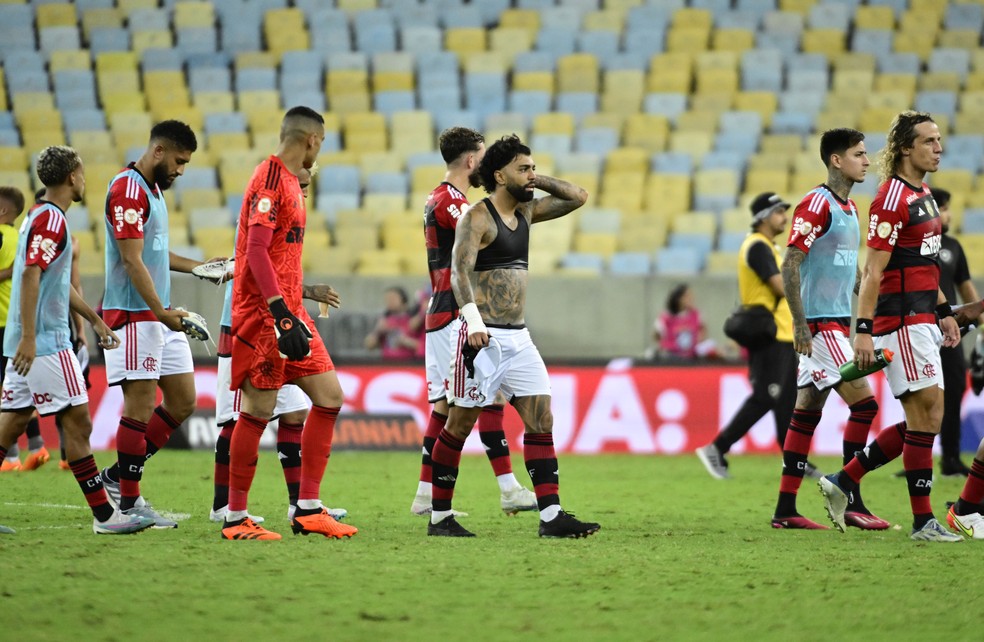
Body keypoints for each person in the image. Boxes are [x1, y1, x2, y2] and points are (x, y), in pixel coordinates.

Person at [427, 133, 599, 538]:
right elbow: (458, 273)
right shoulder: (476, 217)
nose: (531, 174)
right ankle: (439, 517)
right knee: (459, 424)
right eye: (523, 168)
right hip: (481, 338)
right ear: (500, 175)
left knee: (542, 419)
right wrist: (473, 322)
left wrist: (536, 180)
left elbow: (578, 196)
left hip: (519, 339)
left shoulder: (525, 212)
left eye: (533, 167)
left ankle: (552, 516)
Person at [818, 111, 963, 542]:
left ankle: (844, 480)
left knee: (926, 417)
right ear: (905, 148)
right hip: (899, 321)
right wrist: (862, 330)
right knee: (928, 415)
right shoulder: (890, 198)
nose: (938, 148)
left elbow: (924, 266)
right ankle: (922, 522)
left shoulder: (927, 196)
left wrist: (945, 312)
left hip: (921, 317)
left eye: (939, 140)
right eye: (929, 142)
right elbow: (874, 272)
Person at [0, 146, 151, 534]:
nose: (84, 180)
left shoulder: (40, 216)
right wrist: (32, 338)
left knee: (12, 422)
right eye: (82, 173)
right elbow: (32, 273)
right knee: (79, 424)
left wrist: (95, 321)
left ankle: (106, 515)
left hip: (27, 341)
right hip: (45, 343)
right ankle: (106, 516)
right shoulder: (52, 220)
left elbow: (56, 282)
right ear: (72, 176)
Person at [223, 106, 357, 541]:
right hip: (267, 317)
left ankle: (308, 508)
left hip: (289, 313)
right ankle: (234, 517)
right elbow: (257, 252)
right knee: (258, 412)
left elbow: (280, 249)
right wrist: (280, 313)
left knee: (330, 397)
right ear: (312, 140)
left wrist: (297, 302)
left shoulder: (290, 182)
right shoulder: (268, 179)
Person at [413, 126, 536, 519]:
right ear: (472, 161)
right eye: (484, 158)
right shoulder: (455, 205)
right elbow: (471, 257)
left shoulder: (441, 198)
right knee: (484, 398)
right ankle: (507, 489)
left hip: (441, 312)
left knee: (446, 406)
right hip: (455, 313)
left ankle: (424, 495)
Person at [769, 128, 888, 530]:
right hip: (821, 328)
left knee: (806, 411)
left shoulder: (851, 209)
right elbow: (790, 263)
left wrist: (864, 290)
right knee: (866, 405)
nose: (867, 161)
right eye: (859, 154)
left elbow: (843, 262)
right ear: (836, 160)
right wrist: (801, 326)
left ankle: (785, 510)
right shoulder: (815, 204)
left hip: (836, 321)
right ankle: (850, 498)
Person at [97, 120, 212, 529]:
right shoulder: (127, 190)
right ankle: (129, 502)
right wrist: (162, 314)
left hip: (160, 314)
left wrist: (202, 267)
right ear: (159, 151)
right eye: (179, 161)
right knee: (140, 406)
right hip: (134, 315)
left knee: (182, 401)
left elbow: (157, 255)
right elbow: (131, 260)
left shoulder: (155, 190)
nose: (181, 169)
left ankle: (116, 475)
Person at [697, 192, 810, 480]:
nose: (785, 217)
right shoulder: (758, 246)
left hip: (782, 334)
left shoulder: (767, 247)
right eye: (779, 212)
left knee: (786, 400)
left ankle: (794, 461)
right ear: (763, 217)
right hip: (768, 333)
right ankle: (717, 447)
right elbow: (777, 286)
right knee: (766, 396)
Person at [931, 187, 984, 476]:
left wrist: (979, 313)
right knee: (920, 395)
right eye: (944, 208)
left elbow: (965, 286)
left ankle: (950, 458)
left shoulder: (953, 246)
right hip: (922, 326)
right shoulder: (916, 243)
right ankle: (920, 455)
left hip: (952, 330)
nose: (949, 214)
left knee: (954, 389)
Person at [0, 186, 32, 472]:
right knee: (17, 393)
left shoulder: (2, 236)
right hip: (14, 321)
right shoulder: (20, 236)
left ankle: (11, 457)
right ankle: (34, 447)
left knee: (9, 394)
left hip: (2, 322)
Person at [647, 284, 718, 361]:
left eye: (692, 296)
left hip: (692, 357)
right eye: (687, 296)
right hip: (671, 357)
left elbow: (703, 333)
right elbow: (657, 336)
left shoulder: (697, 315)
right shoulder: (666, 317)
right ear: (678, 299)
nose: (691, 299)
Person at [363, 286, 418, 360]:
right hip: (388, 364)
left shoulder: (414, 320)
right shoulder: (384, 320)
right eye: (387, 299)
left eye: (393, 298)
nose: (389, 302)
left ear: (403, 299)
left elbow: (423, 346)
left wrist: (405, 341)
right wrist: (378, 332)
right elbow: (369, 345)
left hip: (410, 365)